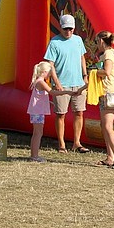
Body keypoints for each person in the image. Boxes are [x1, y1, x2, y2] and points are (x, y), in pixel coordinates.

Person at [43, 14, 90, 153]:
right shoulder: (54, 42)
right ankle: (62, 144)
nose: (68, 32)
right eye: (65, 29)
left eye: (70, 29)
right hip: (62, 84)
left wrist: (85, 76)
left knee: (79, 112)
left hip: (79, 83)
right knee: (61, 114)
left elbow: (82, 58)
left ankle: (77, 143)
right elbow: (50, 64)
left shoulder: (78, 40)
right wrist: (56, 82)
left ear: (74, 28)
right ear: (60, 28)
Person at [27, 61, 70, 162]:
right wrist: (67, 92)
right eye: (49, 73)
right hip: (37, 111)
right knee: (38, 133)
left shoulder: (38, 81)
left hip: (37, 110)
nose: (49, 76)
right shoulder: (41, 82)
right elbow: (52, 92)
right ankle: (34, 156)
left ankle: (34, 155)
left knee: (37, 133)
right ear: (45, 72)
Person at [95, 31, 114, 169]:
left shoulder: (108, 54)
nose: (97, 45)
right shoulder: (112, 53)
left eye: (97, 42)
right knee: (104, 125)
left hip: (110, 92)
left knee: (108, 126)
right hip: (109, 91)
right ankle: (110, 157)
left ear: (102, 41)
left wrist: (94, 72)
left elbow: (107, 71)